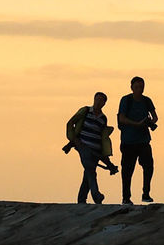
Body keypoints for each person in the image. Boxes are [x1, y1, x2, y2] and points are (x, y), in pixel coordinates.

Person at [66, 92, 116, 204]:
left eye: (101, 100)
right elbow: (70, 123)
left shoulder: (103, 118)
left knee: (88, 173)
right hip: (83, 147)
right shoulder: (85, 111)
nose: (98, 102)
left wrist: (106, 158)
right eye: (97, 99)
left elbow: (102, 136)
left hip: (96, 150)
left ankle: (81, 199)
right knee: (91, 171)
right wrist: (74, 140)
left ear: (104, 103)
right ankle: (96, 195)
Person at [116, 76, 158, 205]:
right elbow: (122, 118)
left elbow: (155, 117)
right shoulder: (126, 100)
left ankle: (146, 193)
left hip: (143, 140)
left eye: (141, 87)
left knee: (148, 166)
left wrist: (149, 122)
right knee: (127, 170)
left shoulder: (147, 100)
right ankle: (126, 197)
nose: (140, 89)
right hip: (128, 141)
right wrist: (137, 124)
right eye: (137, 87)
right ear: (132, 88)